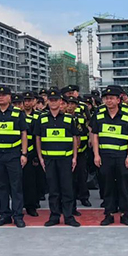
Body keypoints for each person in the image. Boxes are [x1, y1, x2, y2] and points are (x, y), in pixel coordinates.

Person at [91, 86, 128, 226]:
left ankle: (124, 214)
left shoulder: (126, 116)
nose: (108, 101)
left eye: (111, 98)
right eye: (106, 98)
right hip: (105, 156)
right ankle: (109, 214)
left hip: (121, 156)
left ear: (118, 100)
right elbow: (95, 136)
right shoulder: (99, 116)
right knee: (107, 186)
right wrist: (96, 155)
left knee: (124, 186)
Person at [36, 89, 81, 227]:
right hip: (49, 159)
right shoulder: (42, 118)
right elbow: (38, 138)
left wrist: (74, 157)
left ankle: (68, 216)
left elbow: (74, 139)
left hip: (65, 159)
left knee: (67, 189)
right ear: (48, 102)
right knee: (53, 189)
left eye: (56, 100)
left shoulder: (69, 119)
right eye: (51, 100)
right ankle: (54, 216)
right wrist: (40, 157)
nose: (53, 102)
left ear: (61, 101)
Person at [0, 86, 28, 228]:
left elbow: (24, 134)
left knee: (16, 186)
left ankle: (18, 216)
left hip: (13, 154)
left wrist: (24, 153)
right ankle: (5, 215)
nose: (1, 97)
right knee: (1, 186)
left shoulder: (18, 113)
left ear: (9, 97)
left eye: (4, 95)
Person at [22, 91, 41, 217]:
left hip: (32, 152)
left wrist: (36, 155)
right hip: (18, 152)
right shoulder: (18, 115)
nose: (27, 103)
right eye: (25, 100)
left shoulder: (39, 116)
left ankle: (31, 206)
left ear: (34, 101)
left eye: (30, 100)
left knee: (31, 182)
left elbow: (38, 136)